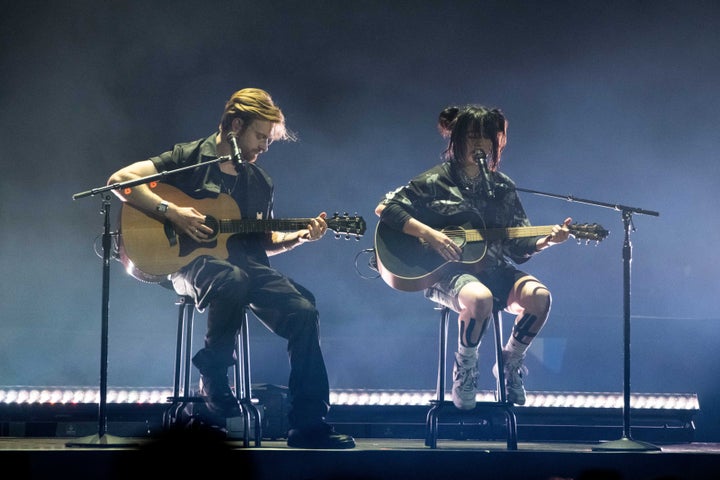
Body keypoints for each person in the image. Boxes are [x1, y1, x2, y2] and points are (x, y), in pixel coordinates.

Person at [107, 88, 355, 449]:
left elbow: (262, 241)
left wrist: (299, 237)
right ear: (235, 125)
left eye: (269, 140)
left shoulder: (259, 182)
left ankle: (308, 423)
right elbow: (120, 181)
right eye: (260, 136)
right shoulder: (189, 157)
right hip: (192, 266)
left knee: (304, 308)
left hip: (244, 267)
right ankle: (213, 376)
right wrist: (172, 211)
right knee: (230, 279)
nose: (265, 147)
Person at [375, 104, 571, 409]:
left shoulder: (501, 187)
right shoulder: (436, 180)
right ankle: (465, 369)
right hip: (446, 273)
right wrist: (431, 235)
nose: (479, 143)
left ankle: (510, 363)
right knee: (479, 298)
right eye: (472, 136)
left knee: (540, 297)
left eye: (486, 137)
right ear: (457, 139)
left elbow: (518, 246)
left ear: (495, 143)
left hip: (495, 268)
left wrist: (547, 240)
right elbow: (386, 208)